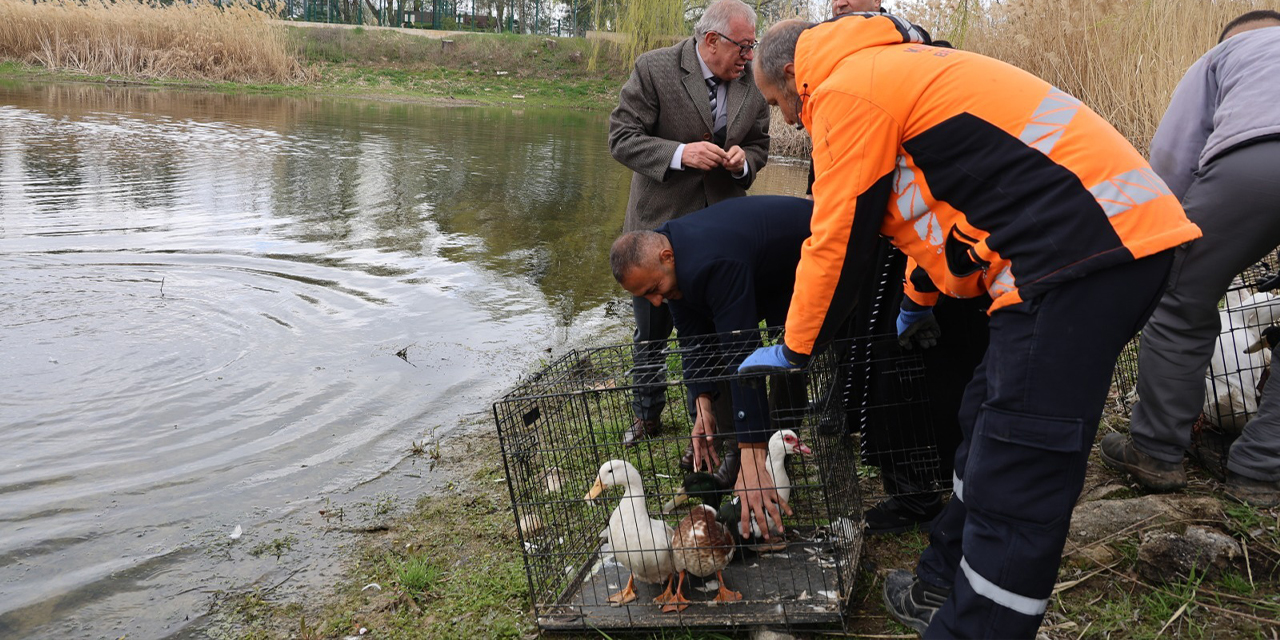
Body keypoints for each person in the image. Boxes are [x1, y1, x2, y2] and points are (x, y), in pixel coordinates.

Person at [744, 15, 1200, 639]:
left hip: (1077, 257)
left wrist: (796, 347)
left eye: (777, 103)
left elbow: (837, 236)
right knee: (985, 418)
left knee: (1020, 466)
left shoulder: (846, 89)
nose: (789, 122)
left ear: (792, 76)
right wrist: (917, 298)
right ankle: (940, 580)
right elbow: (943, 208)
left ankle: (974, 626)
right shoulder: (888, 72)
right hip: (1083, 250)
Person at [1101, 11, 1280, 508]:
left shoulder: (1225, 53)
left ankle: (1156, 452)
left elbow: (1173, 154)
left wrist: (1170, 241)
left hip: (1255, 162)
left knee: (1180, 302)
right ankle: (1262, 470)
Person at [608, 0, 771, 448]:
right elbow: (621, 138)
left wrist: (743, 163)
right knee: (652, 330)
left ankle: (709, 420)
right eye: (742, 46)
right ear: (711, 40)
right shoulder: (654, 68)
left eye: (753, 46)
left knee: (713, 331)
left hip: (720, 233)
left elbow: (760, 145)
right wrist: (681, 154)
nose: (749, 56)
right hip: (656, 226)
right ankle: (647, 415)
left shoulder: (753, 81)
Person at [610, 195, 812, 533]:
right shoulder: (671, 262)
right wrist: (703, 405)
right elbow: (694, 339)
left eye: (655, 289)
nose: (656, 302)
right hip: (762, 268)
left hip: (809, 254)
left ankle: (771, 453)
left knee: (789, 351)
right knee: (720, 350)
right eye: (645, 295)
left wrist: (753, 454)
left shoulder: (713, 262)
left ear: (667, 257)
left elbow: (741, 353)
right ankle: (747, 448)